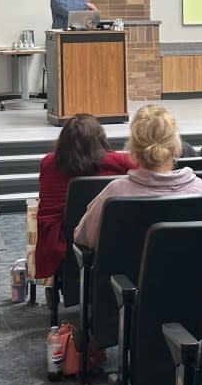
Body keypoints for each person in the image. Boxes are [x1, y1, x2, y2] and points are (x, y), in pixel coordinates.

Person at [74, 105, 202, 249]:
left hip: (127, 272)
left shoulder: (115, 192)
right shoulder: (200, 189)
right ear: (175, 149)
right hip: (187, 272)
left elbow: (84, 237)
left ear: (134, 151)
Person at [35, 114, 138, 280]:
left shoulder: (48, 164)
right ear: (100, 139)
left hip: (62, 237)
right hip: (106, 235)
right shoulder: (120, 162)